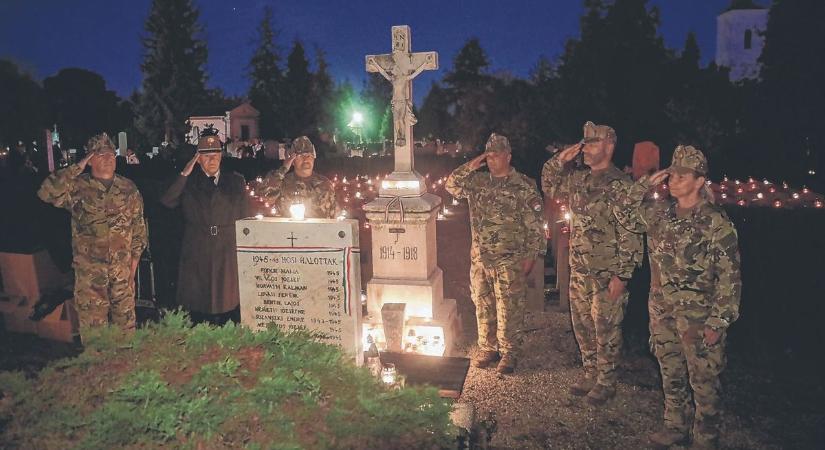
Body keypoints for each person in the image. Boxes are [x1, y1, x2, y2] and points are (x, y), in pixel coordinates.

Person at [613, 145, 741, 449]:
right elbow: (622, 212)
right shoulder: (660, 215)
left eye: (683, 175)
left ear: (699, 181)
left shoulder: (715, 222)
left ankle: (706, 438)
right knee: (670, 371)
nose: (674, 179)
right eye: (672, 173)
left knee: (704, 380)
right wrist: (645, 183)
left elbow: (730, 277)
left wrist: (719, 320)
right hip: (662, 311)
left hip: (698, 315)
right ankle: (676, 427)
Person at [541, 121, 643, 404]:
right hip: (581, 268)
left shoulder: (621, 185)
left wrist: (622, 275)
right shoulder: (579, 179)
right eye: (584, 142)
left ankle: (606, 380)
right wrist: (560, 159)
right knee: (583, 323)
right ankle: (590, 371)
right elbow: (549, 185)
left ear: (609, 146)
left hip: (607, 271)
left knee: (606, 327)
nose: (585, 148)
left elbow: (632, 232)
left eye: (593, 143)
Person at [445, 133, 546, 374]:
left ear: (508, 156)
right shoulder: (477, 182)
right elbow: (451, 184)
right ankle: (488, 347)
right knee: (483, 304)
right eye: (488, 155)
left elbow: (535, 223)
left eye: (496, 155)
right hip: (480, 258)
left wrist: (532, 255)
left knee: (509, 307)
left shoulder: (523, 184)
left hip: (509, 258)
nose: (491, 160)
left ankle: (509, 352)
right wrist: (472, 164)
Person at [37, 132, 147, 341]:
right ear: (89, 160)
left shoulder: (128, 188)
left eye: (111, 154)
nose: (108, 159)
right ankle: (100, 369)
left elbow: (139, 232)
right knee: (95, 334)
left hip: (122, 274)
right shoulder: (77, 188)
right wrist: (78, 166)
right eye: (100, 154)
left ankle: (124, 369)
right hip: (90, 277)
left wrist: (132, 270)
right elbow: (46, 192)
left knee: (125, 332)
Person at [160, 127, 249, 325]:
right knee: (198, 300)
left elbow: (245, 216)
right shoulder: (188, 182)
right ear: (198, 158)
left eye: (216, 153)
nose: (212, 159)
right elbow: (167, 200)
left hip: (226, 246)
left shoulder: (235, 181)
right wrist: (185, 172)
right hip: (198, 245)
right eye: (206, 155)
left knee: (226, 298)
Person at [259, 136, 337, 219]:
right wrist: (283, 169)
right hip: (288, 230)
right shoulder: (282, 182)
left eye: (309, 155)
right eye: (300, 156)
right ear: (292, 161)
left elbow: (333, 213)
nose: (306, 159)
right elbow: (264, 196)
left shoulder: (324, 183)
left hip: (318, 230)